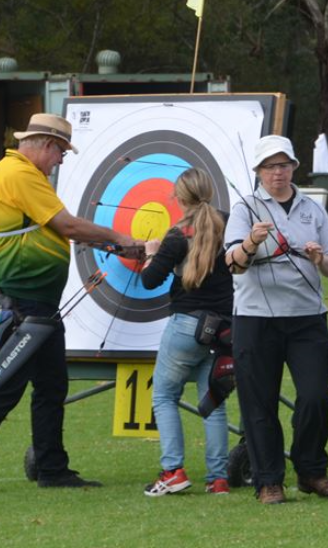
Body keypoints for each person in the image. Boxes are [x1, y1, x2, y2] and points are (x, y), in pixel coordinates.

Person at [0, 113, 138, 493]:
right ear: (47, 145)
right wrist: (119, 235)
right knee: (5, 387)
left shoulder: (24, 175)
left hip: (37, 304)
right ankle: (50, 466)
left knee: (52, 386)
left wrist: (112, 243)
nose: (62, 161)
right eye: (62, 152)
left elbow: (53, 229)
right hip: (21, 300)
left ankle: (51, 467)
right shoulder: (17, 173)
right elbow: (66, 225)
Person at [224, 135, 328, 505]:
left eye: (283, 165)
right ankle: (268, 480)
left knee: (314, 397)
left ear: (293, 167)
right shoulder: (245, 208)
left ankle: (310, 470)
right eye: (269, 167)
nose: (277, 173)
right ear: (258, 172)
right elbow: (232, 264)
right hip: (256, 319)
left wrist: (319, 259)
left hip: (307, 317)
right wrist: (250, 243)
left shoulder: (313, 208)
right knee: (259, 404)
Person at [139, 168, 233, 497]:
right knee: (213, 403)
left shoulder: (177, 235)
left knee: (164, 396)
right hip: (225, 329)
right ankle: (218, 479)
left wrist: (152, 254)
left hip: (187, 326)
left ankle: (173, 471)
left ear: (178, 198)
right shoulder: (229, 222)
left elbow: (150, 280)